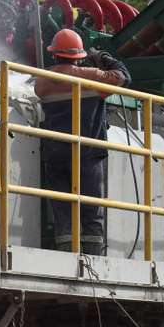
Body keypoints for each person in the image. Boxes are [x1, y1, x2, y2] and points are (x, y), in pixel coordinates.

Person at [34, 28, 131, 255]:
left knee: (62, 207)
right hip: (86, 152)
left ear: (54, 54)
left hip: (55, 152)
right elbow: (124, 77)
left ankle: (67, 251)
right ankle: (93, 257)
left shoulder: (42, 82)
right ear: (79, 55)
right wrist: (103, 58)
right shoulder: (91, 76)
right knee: (90, 208)